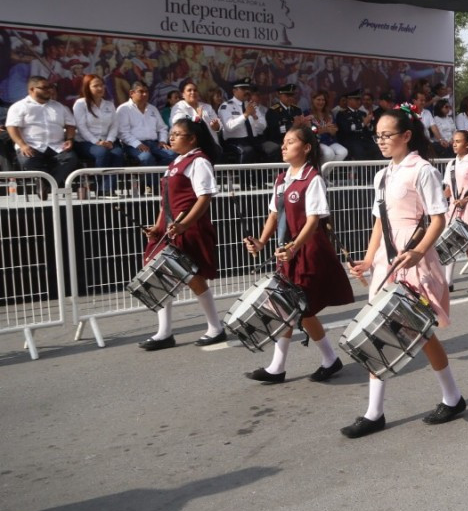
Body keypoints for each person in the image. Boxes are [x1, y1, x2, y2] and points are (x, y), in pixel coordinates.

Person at [342, 107, 465, 438]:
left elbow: (438, 217)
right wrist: (368, 261)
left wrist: (418, 252)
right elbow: (380, 221)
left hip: (415, 263)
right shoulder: (381, 175)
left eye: (387, 135)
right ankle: (374, 411)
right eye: (378, 136)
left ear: (406, 136)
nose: (381, 141)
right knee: (378, 332)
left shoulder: (422, 171)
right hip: (387, 264)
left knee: (421, 334)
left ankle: (452, 397)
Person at [242, 126, 354, 383]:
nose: (283, 146)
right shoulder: (281, 179)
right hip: (287, 251)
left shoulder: (313, 178)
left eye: (290, 142)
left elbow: (313, 220)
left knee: (295, 306)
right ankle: (307, 362)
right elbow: (274, 215)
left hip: (307, 250)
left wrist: (294, 246)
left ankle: (284, 366)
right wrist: (260, 242)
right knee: (293, 306)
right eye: (283, 142)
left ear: (306, 148)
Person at [137, 118, 227, 350]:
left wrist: (185, 225)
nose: (172, 138)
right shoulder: (176, 162)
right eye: (171, 133)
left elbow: (204, 197)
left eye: (177, 134)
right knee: (161, 276)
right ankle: (164, 332)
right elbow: (165, 203)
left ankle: (215, 328)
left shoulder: (199, 162)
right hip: (170, 229)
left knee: (193, 278)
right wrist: (157, 227)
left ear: (192, 138)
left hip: (189, 228)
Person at [6, 77, 80, 187]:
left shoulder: (59, 107)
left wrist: (69, 139)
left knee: (71, 158)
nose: (49, 90)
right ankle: (47, 184)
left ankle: (46, 185)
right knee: (27, 161)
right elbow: (12, 127)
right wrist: (23, 145)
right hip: (31, 146)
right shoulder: (19, 107)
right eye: (44, 88)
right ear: (32, 89)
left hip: (56, 146)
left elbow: (71, 125)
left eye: (50, 87)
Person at [441, 130, 468, 293]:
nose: (454, 144)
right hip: (453, 207)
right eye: (453, 141)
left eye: (458, 141)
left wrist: (465, 199)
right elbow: (448, 189)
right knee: (450, 242)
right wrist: (438, 200)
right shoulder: (451, 164)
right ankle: (448, 281)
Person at [72, 74, 124, 193]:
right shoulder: (80, 104)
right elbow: (81, 127)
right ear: (87, 87)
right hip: (85, 142)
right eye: (96, 86)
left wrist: (110, 140)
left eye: (101, 85)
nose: (100, 88)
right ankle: (98, 185)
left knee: (118, 152)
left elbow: (114, 125)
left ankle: (108, 188)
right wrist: (97, 142)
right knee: (102, 152)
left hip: (107, 141)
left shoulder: (109, 104)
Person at [117, 81, 176, 166]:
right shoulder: (123, 109)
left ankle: (157, 177)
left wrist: (162, 141)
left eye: (146, 92)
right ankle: (152, 178)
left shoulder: (153, 109)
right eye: (141, 91)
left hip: (154, 144)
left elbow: (162, 128)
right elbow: (122, 132)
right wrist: (138, 144)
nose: (145, 94)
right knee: (146, 157)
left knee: (172, 155)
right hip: (132, 145)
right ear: (131, 93)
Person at [218, 80, 269, 163]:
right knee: (248, 151)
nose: (247, 91)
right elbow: (229, 127)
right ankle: (243, 176)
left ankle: (259, 176)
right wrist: (245, 115)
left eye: (248, 89)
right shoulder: (226, 106)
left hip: (253, 139)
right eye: (243, 89)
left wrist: (255, 117)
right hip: (235, 141)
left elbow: (262, 128)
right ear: (234, 91)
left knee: (267, 151)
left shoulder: (251, 105)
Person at [169, 80, 223, 148]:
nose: (193, 92)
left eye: (195, 90)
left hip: (212, 145)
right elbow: (177, 121)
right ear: (183, 94)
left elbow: (219, 125)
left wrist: (216, 126)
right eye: (189, 90)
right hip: (191, 147)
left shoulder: (207, 107)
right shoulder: (179, 107)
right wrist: (196, 118)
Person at [262, 83, 307, 160]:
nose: (290, 98)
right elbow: (274, 130)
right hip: (278, 140)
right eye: (287, 96)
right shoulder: (273, 111)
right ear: (280, 95)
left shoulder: (297, 110)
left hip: (295, 139)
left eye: (292, 96)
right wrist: (293, 125)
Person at [337, 89, 380, 160]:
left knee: (377, 148)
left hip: (364, 140)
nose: (359, 102)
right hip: (351, 141)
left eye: (359, 100)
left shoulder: (362, 113)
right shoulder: (342, 114)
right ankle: (361, 171)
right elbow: (348, 128)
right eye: (356, 100)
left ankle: (375, 171)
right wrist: (363, 123)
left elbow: (371, 130)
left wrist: (368, 124)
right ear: (349, 100)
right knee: (360, 151)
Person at [308, 90, 348, 162]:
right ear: (313, 100)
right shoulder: (307, 113)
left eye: (323, 100)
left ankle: (325, 172)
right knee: (329, 154)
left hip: (329, 141)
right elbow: (312, 130)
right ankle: (320, 171)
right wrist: (324, 129)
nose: (321, 102)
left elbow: (334, 130)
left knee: (343, 152)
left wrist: (333, 130)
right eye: (318, 100)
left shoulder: (329, 113)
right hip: (316, 142)